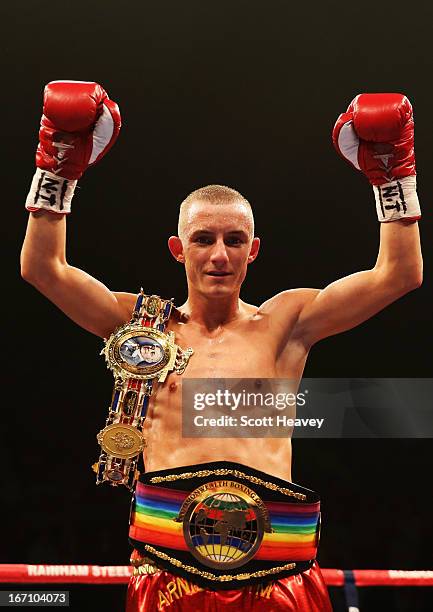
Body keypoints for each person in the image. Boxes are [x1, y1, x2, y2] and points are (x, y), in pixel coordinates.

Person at [20, 81, 423, 611]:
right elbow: (43, 268)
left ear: (253, 250)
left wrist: (395, 177)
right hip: (168, 574)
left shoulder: (286, 324)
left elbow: (399, 274)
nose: (218, 255)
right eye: (203, 239)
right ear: (177, 248)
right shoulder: (140, 325)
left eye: (234, 241)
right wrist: (57, 169)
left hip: (279, 574)